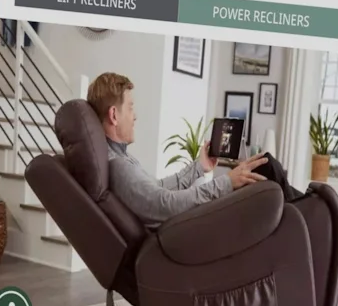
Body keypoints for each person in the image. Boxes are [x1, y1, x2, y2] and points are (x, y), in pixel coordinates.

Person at [71, 73, 262, 228]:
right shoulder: (118, 165)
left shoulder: (120, 157)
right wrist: (226, 182)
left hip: (182, 230)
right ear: (114, 115)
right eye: (130, 108)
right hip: (183, 235)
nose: (135, 116)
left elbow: (158, 188)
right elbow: (165, 203)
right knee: (265, 183)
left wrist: (199, 167)